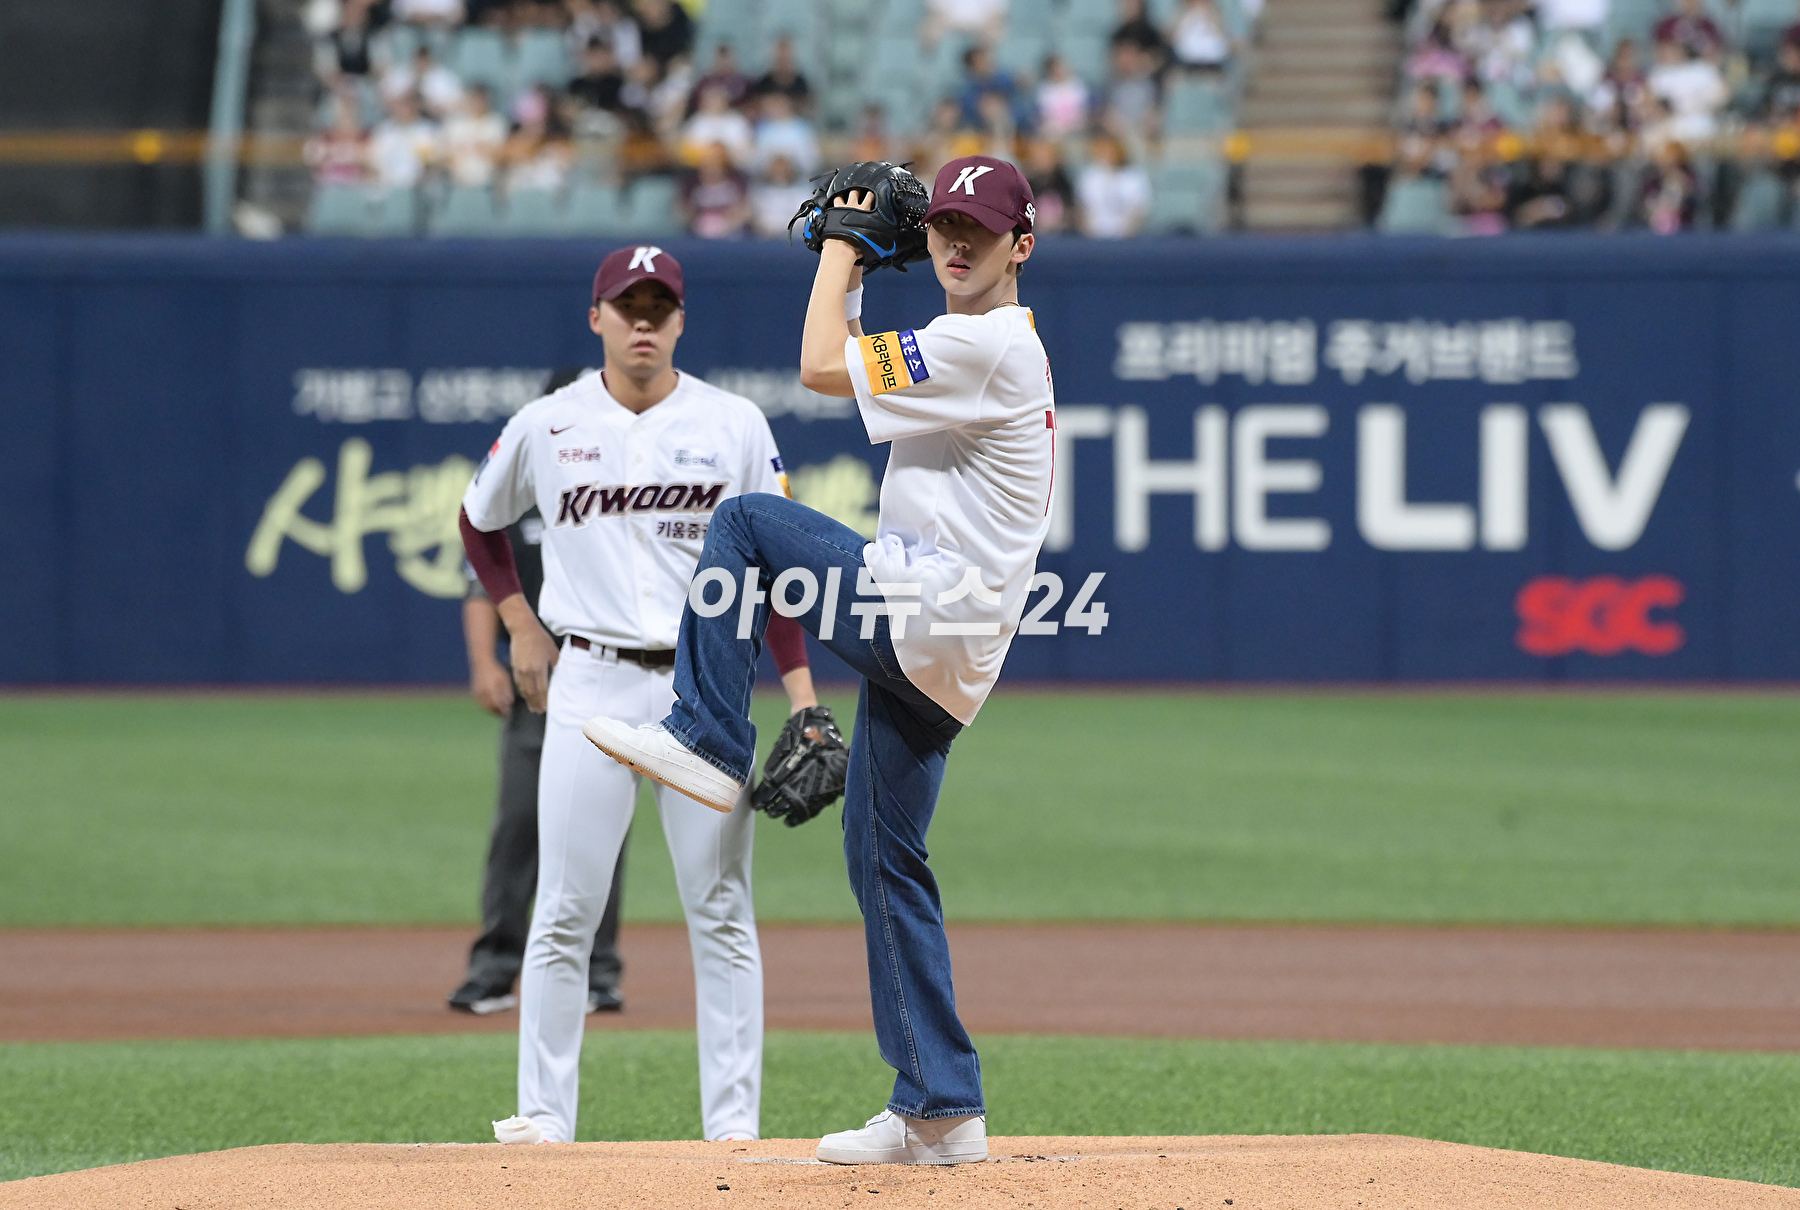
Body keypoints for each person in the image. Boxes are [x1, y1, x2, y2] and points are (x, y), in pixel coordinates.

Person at [582, 153, 1054, 1166]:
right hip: (949, 649)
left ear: (1023, 246)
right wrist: (867, 263)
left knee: (748, 522)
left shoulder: (985, 346)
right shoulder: (977, 345)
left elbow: (816, 363)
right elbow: (859, 362)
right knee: (883, 857)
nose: (959, 243)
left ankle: (706, 734)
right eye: (945, 225)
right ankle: (941, 1104)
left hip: (922, 612)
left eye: (981, 229)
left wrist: (843, 249)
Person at [462, 246, 821, 1145]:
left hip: (707, 684)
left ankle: (732, 1130)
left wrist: (802, 693)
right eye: (629, 305)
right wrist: (516, 618)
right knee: (565, 907)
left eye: (661, 305)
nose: (645, 321)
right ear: (598, 319)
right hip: (589, 679)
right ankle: (544, 1119)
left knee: (721, 908)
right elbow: (479, 519)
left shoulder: (732, 423)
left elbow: (774, 566)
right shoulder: (548, 423)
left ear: (682, 321)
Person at [449, 415, 628, 1014]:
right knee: (519, 824)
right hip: (539, 687)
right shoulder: (522, 493)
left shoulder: (627, 498)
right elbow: (480, 584)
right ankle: (495, 966)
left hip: (611, 681)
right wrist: (484, 663)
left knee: (604, 827)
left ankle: (598, 974)